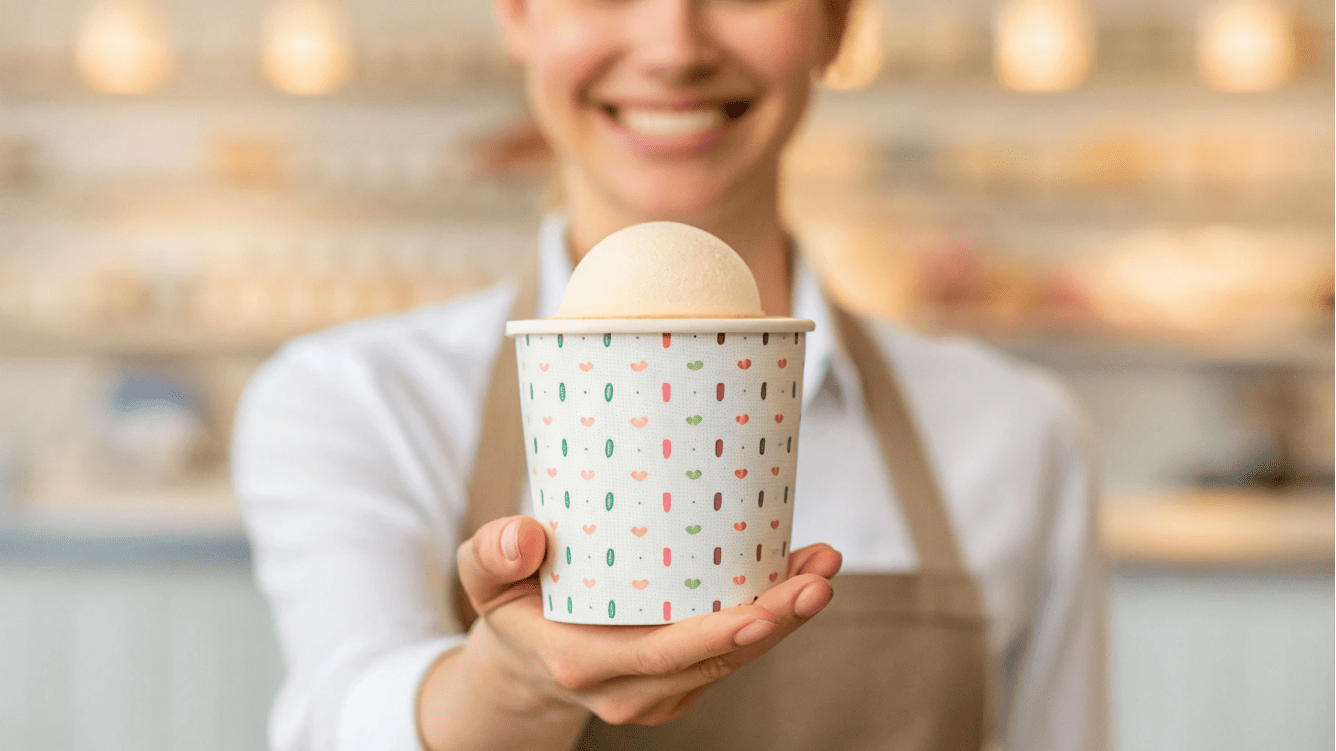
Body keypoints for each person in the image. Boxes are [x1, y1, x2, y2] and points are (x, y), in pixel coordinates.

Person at [232, 1, 1109, 749]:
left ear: (837, 21)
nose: (675, 47)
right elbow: (342, 709)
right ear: (517, 13)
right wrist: (512, 683)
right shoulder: (357, 400)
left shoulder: (1015, 429)